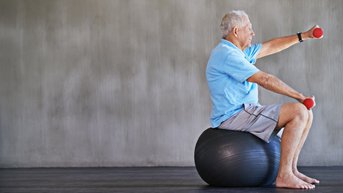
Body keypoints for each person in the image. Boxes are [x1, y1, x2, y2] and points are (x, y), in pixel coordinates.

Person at [206, 10, 323, 189]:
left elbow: (271, 46)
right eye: (249, 29)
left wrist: (304, 36)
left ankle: (292, 170)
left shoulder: (240, 52)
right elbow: (264, 79)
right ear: (236, 31)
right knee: (298, 111)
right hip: (233, 116)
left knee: (306, 112)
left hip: (246, 112)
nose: (253, 33)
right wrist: (300, 96)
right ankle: (283, 175)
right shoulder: (226, 54)